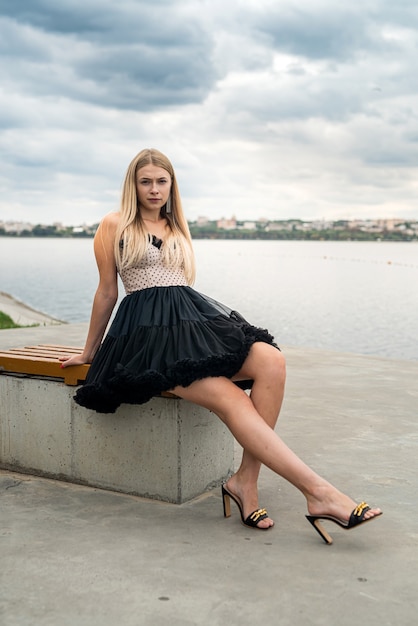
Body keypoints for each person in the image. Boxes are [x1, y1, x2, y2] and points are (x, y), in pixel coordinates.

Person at [61, 148, 382, 542]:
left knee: (271, 361)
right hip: (147, 339)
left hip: (190, 322)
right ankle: (320, 494)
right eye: (146, 181)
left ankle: (245, 480)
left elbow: (180, 288)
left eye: (162, 181)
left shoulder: (176, 226)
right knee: (233, 398)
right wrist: (89, 351)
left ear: (172, 184)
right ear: (133, 185)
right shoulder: (114, 224)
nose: (155, 189)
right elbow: (107, 292)